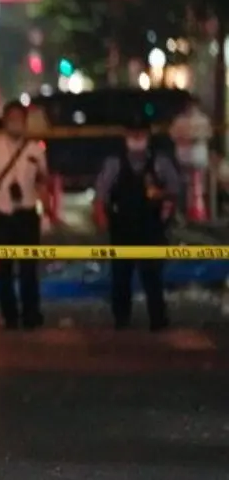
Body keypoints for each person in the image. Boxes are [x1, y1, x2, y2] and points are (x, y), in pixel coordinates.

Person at [93, 116, 180, 331]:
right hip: (122, 227)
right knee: (121, 277)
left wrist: (162, 197)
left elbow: (176, 191)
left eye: (141, 134)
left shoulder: (160, 162)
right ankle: (121, 321)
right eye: (133, 134)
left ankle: (158, 320)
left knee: (153, 278)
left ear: (148, 136)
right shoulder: (114, 163)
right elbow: (100, 196)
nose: (137, 138)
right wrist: (102, 219)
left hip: (151, 227)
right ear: (125, 136)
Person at [0, 100, 52, 330]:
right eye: (12, 118)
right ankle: (10, 316)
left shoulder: (35, 149)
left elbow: (42, 184)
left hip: (27, 214)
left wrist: (46, 212)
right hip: (1, 214)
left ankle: (31, 315)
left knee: (29, 269)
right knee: (4, 269)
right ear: (5, 121)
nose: (16, 123)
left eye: (20, 118)